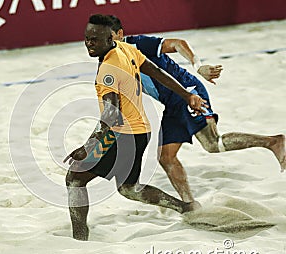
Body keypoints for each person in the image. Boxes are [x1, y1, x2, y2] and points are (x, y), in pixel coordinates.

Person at [108, 15, 286, 203]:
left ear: (119, 34)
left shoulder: (137, 44)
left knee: (213, 144)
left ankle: (273, 142)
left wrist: (198, 66)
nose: (104, 42)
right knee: (166, 157)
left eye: (108, 37)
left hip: (188, 93)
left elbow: (178, 43)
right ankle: (190, 204)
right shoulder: (111, 62)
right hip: (170, 103)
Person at [63, 14, 205, 241]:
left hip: (122, 134)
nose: (90, 44)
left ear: (110, 38)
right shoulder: (126, 49)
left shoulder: (108, 70)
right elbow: (158, 73)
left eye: (96, 40)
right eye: (87, 38)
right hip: (140, 131)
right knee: (129, 188)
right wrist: (186, 94)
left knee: (75, 177)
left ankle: (79, 237)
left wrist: (87, 148)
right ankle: (186, 208)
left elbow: (112, 116)